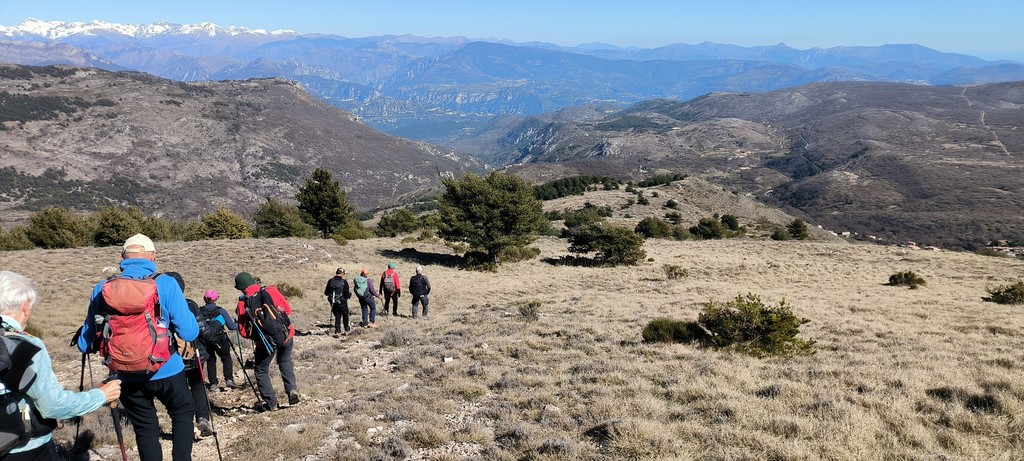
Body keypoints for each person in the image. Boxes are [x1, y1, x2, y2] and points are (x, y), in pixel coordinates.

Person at [77, 234, 199, 461]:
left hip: (125, 373)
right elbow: (189, 333)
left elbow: (85, 344)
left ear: (122, 257)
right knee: (182, 412)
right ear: (153, 256)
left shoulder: (102, 288)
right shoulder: (166, 283)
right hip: (167, 368)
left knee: (145, 428)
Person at [1, 271, 121, 460]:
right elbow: (52, 406)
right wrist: (102, 395)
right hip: (25, 448)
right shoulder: (27, 347)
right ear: (25, 305)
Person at [233, 272, 299, 411]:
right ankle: (292, 390)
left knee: (261, 370)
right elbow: (287, 310)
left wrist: (259, 333)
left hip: (264, 343)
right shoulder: (271, 290)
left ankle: (271, 403)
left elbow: (243, 332)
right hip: (286, 334)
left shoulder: (242, 303)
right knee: (285, 361)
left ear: (241, 288)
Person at [164, 272, 214, 438]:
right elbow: (203, 330)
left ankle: (184, 425)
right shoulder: (189, 305)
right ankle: (202, 418)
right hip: (194, 353)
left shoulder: (158, 306)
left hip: (170, 356)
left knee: (178, 389)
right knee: (198, 385)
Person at [198, 289, 238, 390]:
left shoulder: (200, 311)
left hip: (206, 341)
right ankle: (229, 379)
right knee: (226, 358)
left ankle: (213, 384)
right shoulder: (221, 311)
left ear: (204, 298)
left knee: (211, 360)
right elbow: (232, 327)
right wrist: (238, 324)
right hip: (220, 339)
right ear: (216, 299)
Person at [323, 268, 352, 335]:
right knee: (345, 315)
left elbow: (326, 293)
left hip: (333, 301)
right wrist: (349, 295)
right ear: (342, 274)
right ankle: (346, 330)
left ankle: (338, 331)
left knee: (337, 316)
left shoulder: (330, 281)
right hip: (342, 301)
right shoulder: (344, 282)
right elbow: (346, 294)